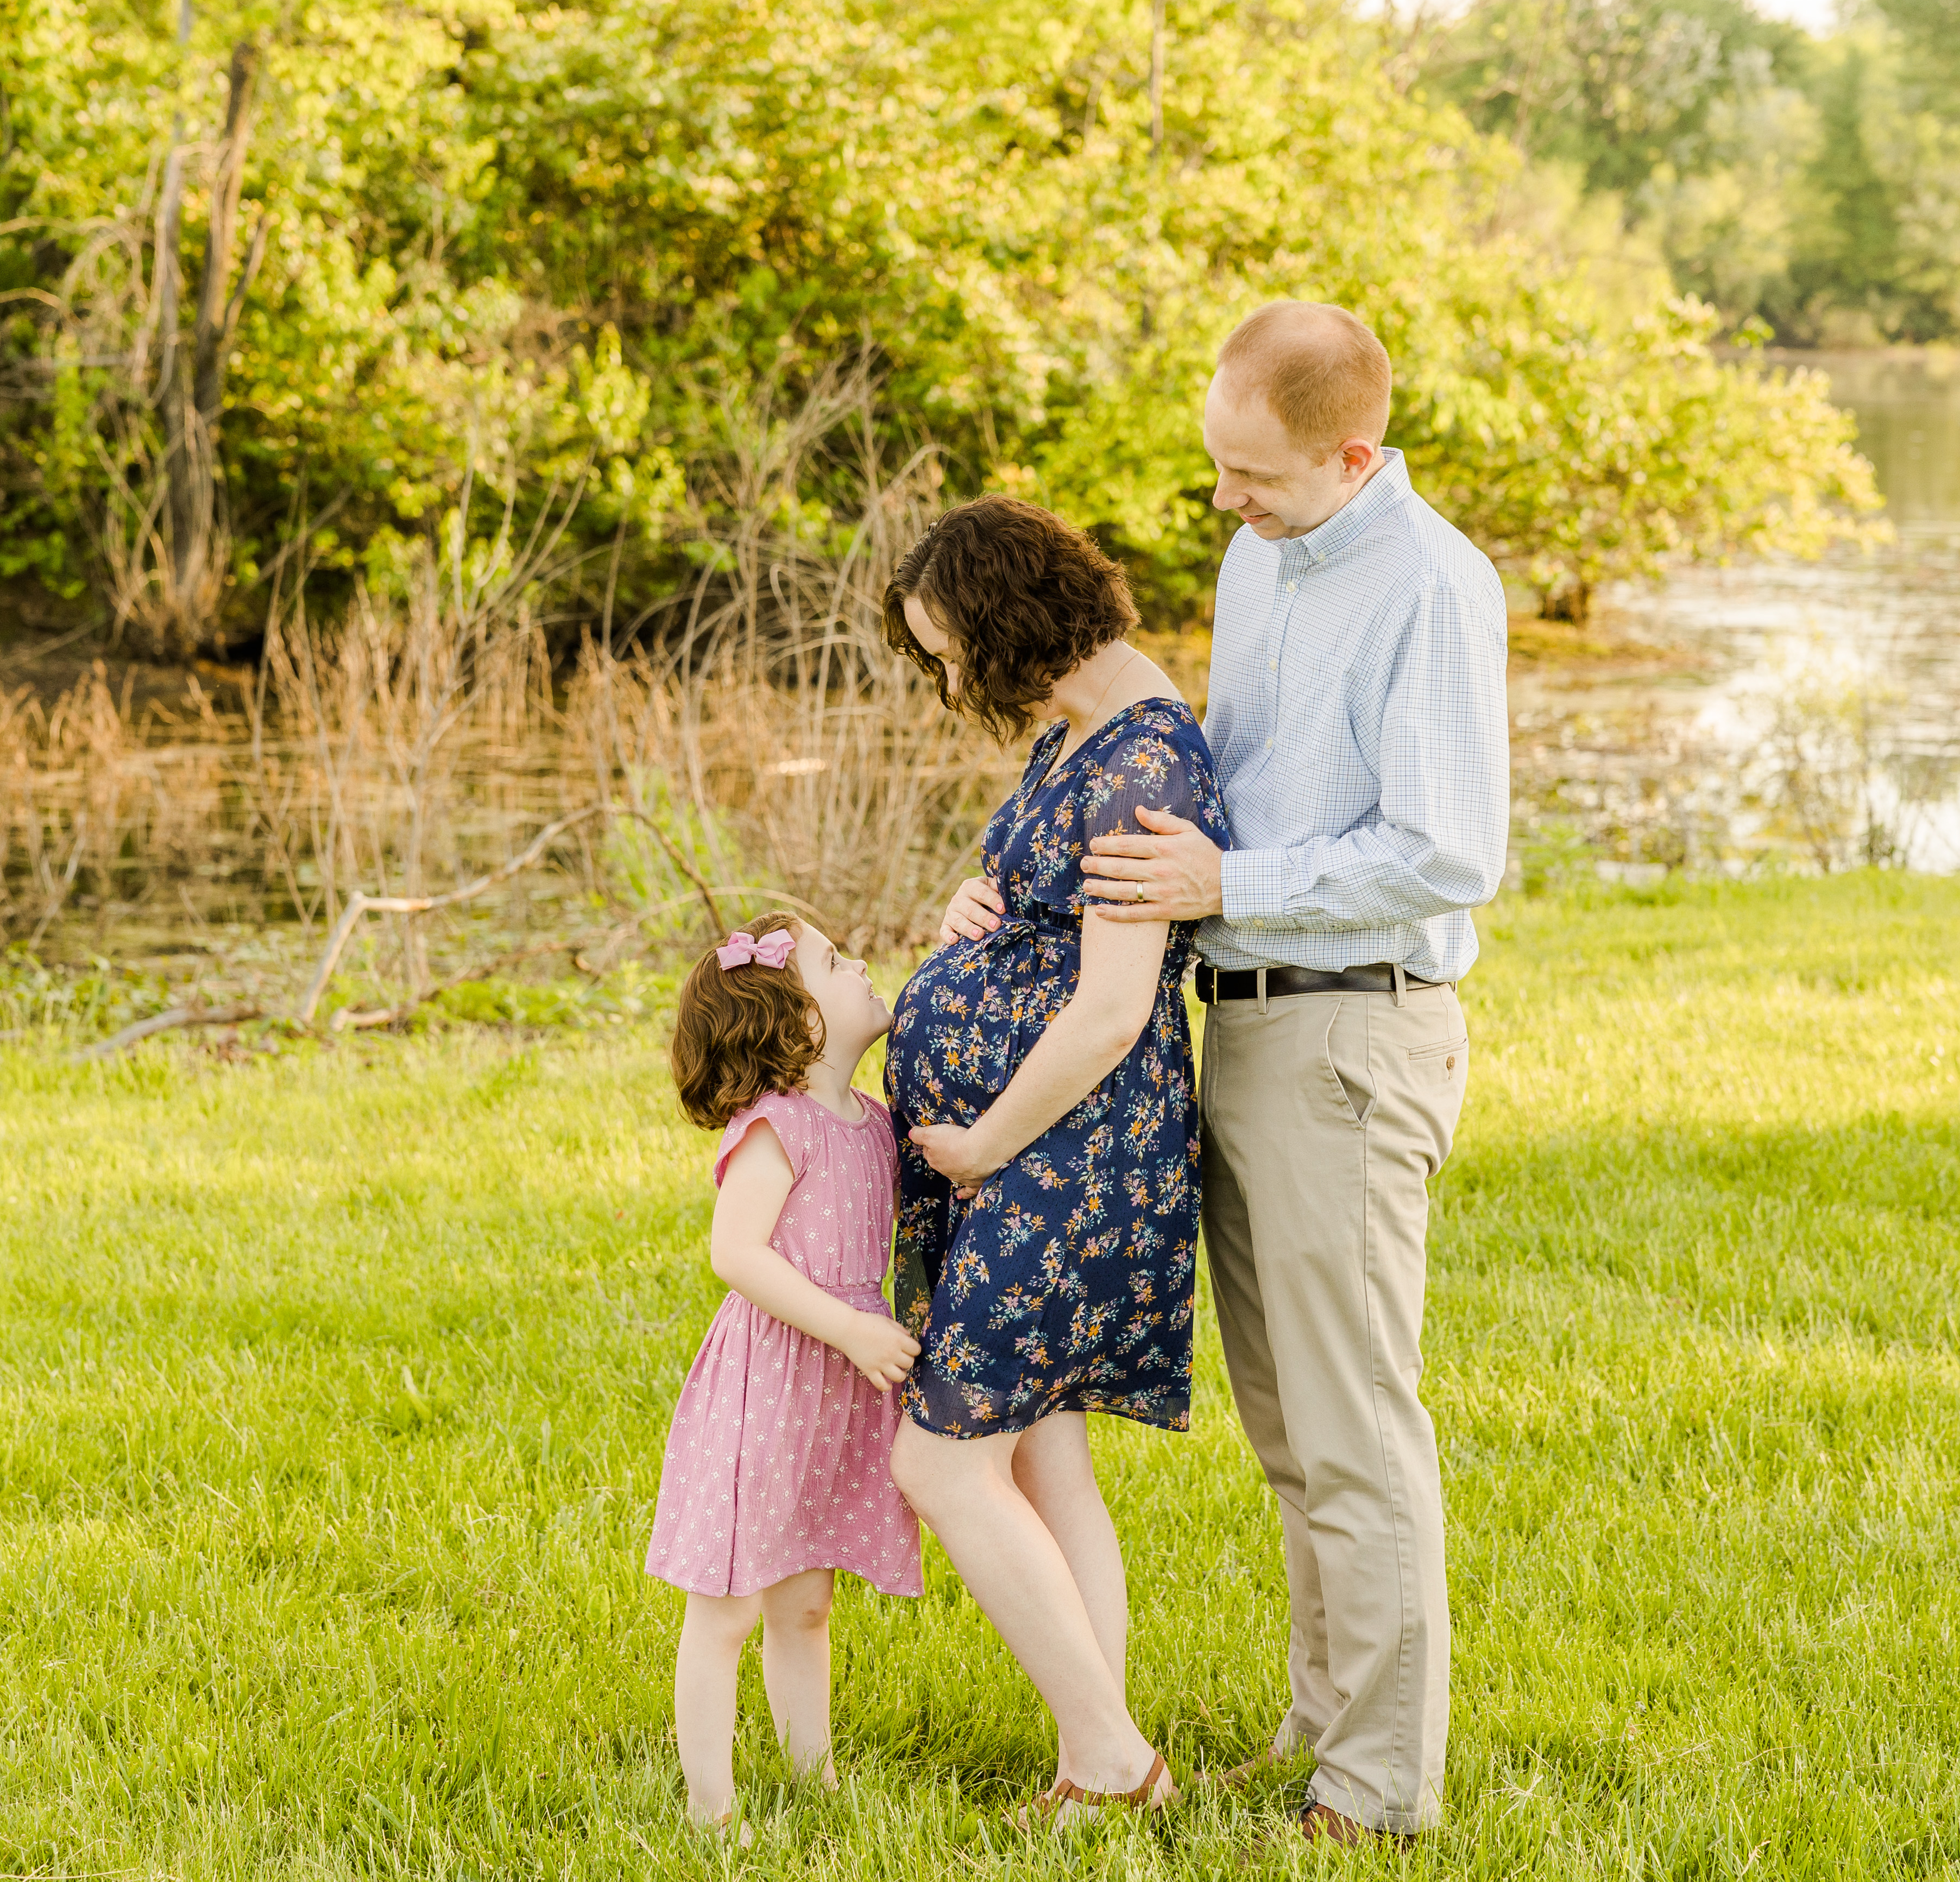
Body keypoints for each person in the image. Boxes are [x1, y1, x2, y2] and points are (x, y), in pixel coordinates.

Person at [957, 301, 1510, 1841]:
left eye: (1251, 474)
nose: (1224, 502)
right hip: (1245, 1025)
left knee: (1354, 1430)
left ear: (1356, 452)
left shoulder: (1432, 588)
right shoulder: (1265, 556)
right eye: (1217, 469)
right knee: (1290, 1432)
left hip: (1352, 1027)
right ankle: (1323, 1730)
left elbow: (1451, 850)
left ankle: (1381, 1793)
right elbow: (1216, 787)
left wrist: (1228, 893)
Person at [880, 495, 1233, 1826]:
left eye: (954, 646)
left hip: (1068, 1152)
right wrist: (977, 908)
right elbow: (1052, 926)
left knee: (944, 1462)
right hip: (1039, 1148)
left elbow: (1110, 1007)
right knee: (1046, 1455)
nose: (952, 678)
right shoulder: (1074, 731)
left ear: (1012, 620)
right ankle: (1102, 1755)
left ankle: (1112, 1761)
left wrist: (981, 1138)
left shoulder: (1145, 763)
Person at [647, 915, 924, 1834]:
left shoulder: (875, 1123)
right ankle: (710, 1810)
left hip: (834, 1393)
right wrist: (850, 1325)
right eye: (838, 964)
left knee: (806, 1603)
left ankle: (817, 1780)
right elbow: (736, 1253)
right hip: (768, 1383)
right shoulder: (778, 1128)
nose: (864, 966)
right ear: (799, 1024)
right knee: (726, 1609)